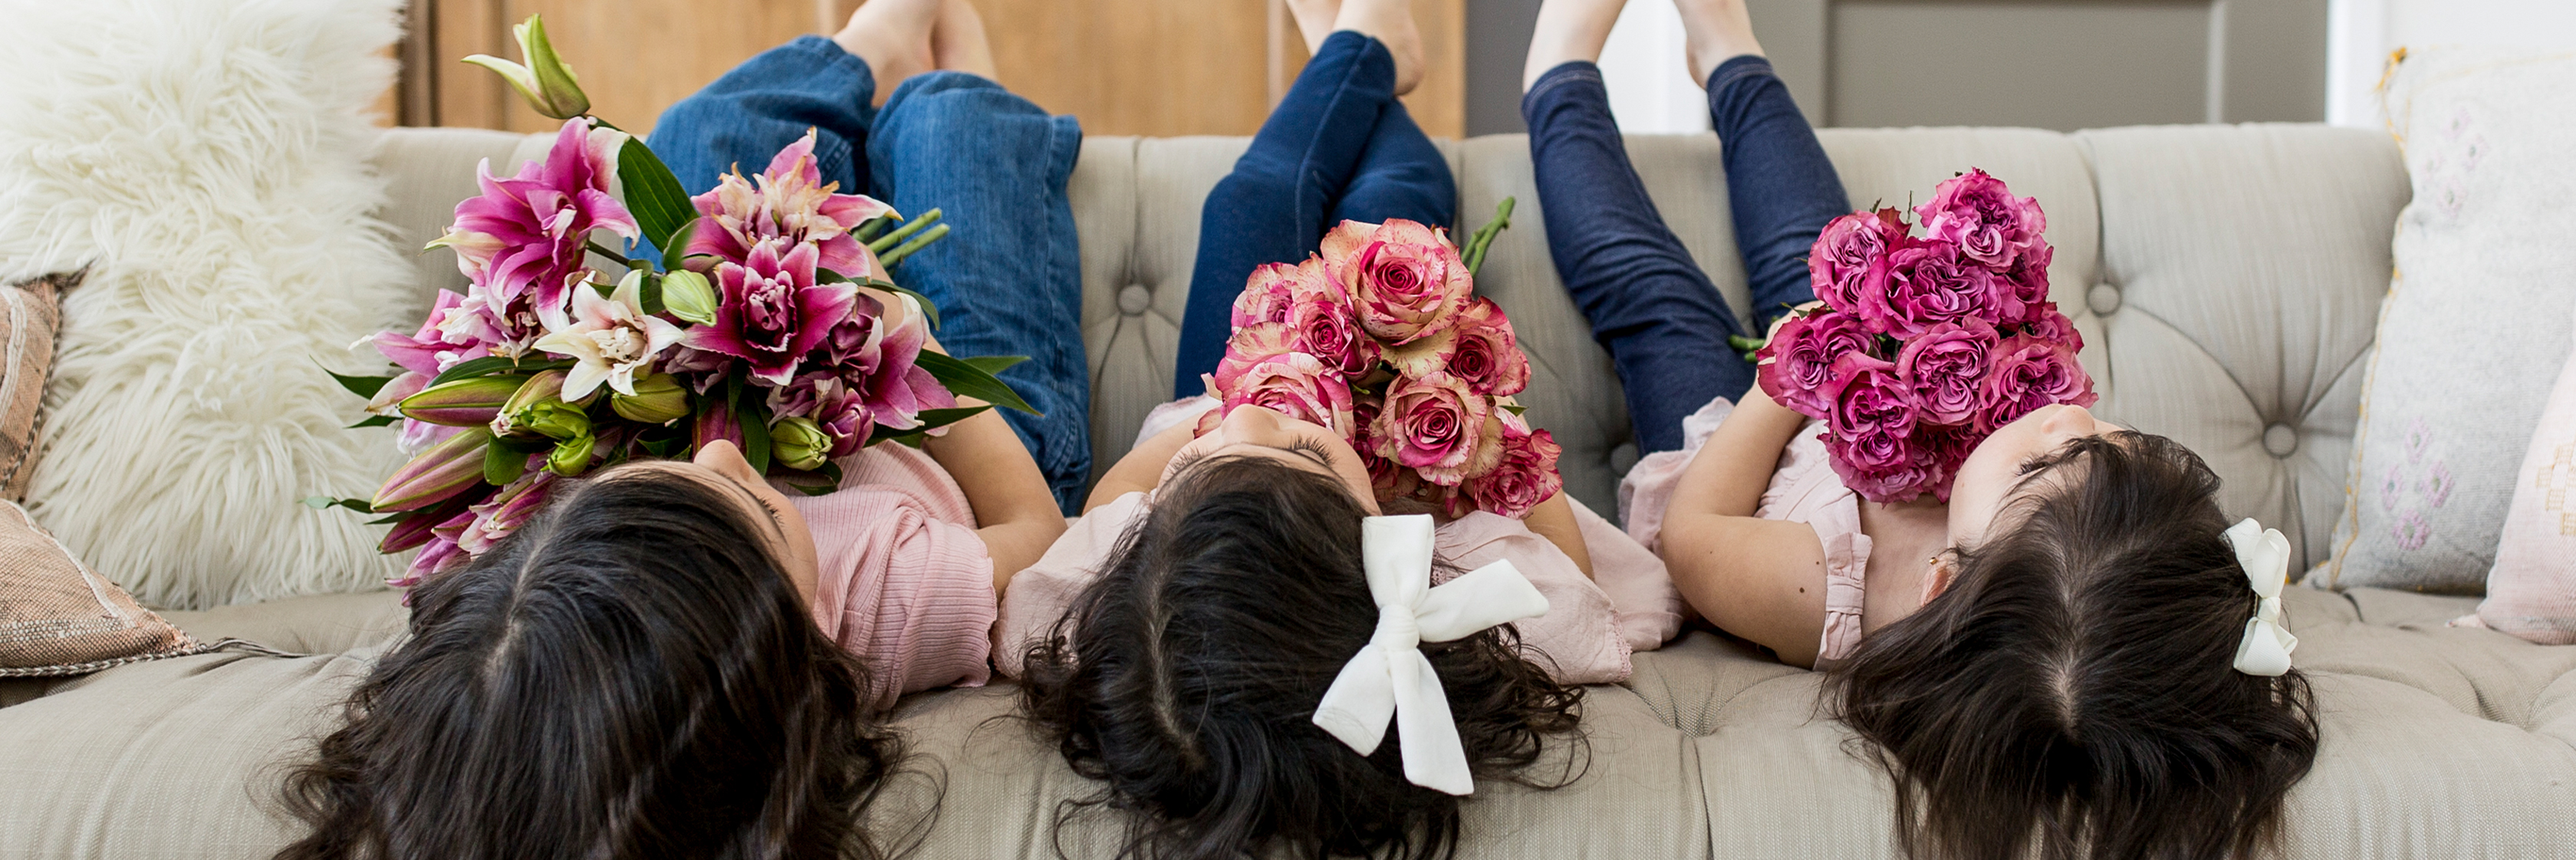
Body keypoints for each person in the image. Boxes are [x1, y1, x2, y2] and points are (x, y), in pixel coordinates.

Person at [1521, 2, 2321, 859]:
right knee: (1814, 232)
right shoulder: (2062, 542)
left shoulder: (1829, 588)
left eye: (2038, 460)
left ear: (1942, 580)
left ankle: (1555, 77)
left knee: (1648, 290)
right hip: (1848, 387)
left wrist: (1793, 372)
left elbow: (1692, 533)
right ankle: (1730, 54)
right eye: (2109, 444)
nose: (2069, 417)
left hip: (1731, 442)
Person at [274, 1, 1075, 855]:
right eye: (765, 513)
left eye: (663, 469)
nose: (727, 447)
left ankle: (870, 39)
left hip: (755, 355)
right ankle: (940, 48)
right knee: (957, 131)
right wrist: (907, 334)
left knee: (705, 129)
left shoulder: (552, 590)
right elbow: (1034, 528)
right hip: (953, 446)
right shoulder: (884, 608)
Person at [1004, 2, 1694, 858]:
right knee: (1392, 205)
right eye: (1296, 448)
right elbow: (1573, 583)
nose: (1267, 417)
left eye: (1221, 464)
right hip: (1404, 424)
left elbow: (1107, 501)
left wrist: (1202, 434)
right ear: (1358, 560)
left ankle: (1359, 38)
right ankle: (1367, 42)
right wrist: (1481, 430)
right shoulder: (1439, 569)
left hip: (1212, 380)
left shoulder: (1127, 617)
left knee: (1247, 201)